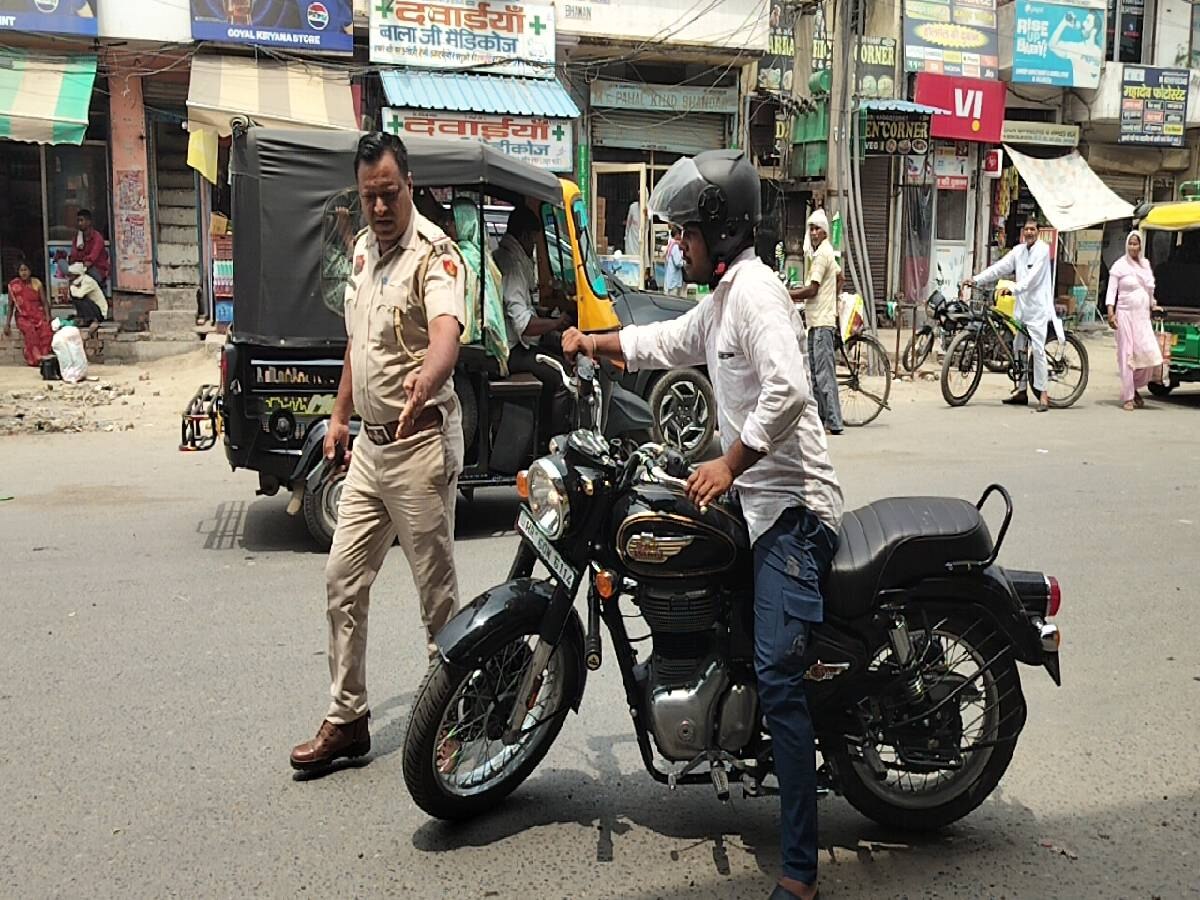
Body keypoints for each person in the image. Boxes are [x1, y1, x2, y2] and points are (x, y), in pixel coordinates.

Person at [562, 150, 843, 900]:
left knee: (780, 677)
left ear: (717, 232)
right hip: (754, 503)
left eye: (684, 232)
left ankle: (799, 870)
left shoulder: (755, 293)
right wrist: (593, 344)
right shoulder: (720, 301)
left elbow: (788, 389)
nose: (676, 246)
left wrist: (731, 462)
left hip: (793, 510)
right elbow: (664, 342)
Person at [290, 132, 467, 772]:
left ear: (409, 185)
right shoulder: (363, 252)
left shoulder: (437, 256)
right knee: (341, 580)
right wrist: (338, 417)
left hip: (420, 447)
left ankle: (452, 721)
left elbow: (445, 333)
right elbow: (358, 345)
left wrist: (429, 378)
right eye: (369, 197)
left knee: (436, 599)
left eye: (389, 194)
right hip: (369, 448)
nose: (380, 208)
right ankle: (348, 719)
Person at [494, 204, 570, 436]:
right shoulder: (513, 265)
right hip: (512, 351)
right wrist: (557, 323)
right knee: (562, 376)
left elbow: (522, 308)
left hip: (512, 344)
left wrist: (544, 313)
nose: (534, 248)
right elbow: (525, 326)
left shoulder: (503, 255)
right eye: (534, 242)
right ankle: (553, 440)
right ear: (525, 236)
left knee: (557, 356)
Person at [969, 216, 1055, 411]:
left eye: (1033, 229)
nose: (1029, 232)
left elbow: (1032, 280)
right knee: (1018, 347)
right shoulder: (1018, 251)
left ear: (1038, 231)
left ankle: (1043, 395)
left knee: (1038, 350)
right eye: (1027, 229)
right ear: (1023, 231)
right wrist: (976, 280)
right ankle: (1022, 390)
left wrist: (1013, 289)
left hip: (1037, 309)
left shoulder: (1042, 251)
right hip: (1022, 308)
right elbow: (999, 268)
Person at [790, 209, 844, 435]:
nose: (813, 233)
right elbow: (840, 277)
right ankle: (823, 418)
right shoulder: (823, 253)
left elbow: (812, 289)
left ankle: (834, 421)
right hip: (817, 321)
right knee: (815, 372)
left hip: (822, 322)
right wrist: (833, 298)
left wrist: (788, 295)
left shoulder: (822, 254)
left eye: (817, 229)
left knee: (823, 374)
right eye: (811, 228)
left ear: (825, 232)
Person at [1106, 231, 1163, 411]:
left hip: (1142, 317)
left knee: (1148, 354)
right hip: (1125, 315)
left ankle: (1133, 387)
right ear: (1126, 245)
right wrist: (1110, 312)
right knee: (1127, 355)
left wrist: (1154, 305)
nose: (1133, 247)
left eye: (1136, 244)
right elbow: (1111, 291)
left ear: (1140, 246)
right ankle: (1128, 397)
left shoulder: (1145, 265)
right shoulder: (1119, 266)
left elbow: (1149, 290)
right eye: (1130, 244)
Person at [452, 198, 510, 374]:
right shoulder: (479, 254)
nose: (445, 225)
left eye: (451, 221)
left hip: (471, 338)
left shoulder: (464, 257)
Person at [4, 260, 53, 367]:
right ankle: (35, 359)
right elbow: (11, 306)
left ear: (30, 271)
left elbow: (44, 302)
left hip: (37, 313)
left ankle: (45, 357)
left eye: (26, 270)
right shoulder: (13, 286)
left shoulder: (37, 283)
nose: (24, 273)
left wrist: (48, 317)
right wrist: (7, 324)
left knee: (46, 329)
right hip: (23, 316)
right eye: (21, 270)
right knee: (30, 330)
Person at [1049, 9, 1103, 87]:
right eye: (1084, 20)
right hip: (1079, 92)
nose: (1083, 23)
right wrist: (1063, 23)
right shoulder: (1076, 48)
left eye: (1087, 21)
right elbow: (1052, 45)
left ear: (1094, 30)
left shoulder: (1100, 53)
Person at [67, 210, 110, 291]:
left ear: (88, 222)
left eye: (81, 220)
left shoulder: (97, 238)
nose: (79, 223)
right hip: (81, 269)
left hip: (97, 271)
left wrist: (80, 265)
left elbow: (91, 260)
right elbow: (73, 256)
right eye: (78, 221)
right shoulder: (78, 238)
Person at [67, 262, 108, 333]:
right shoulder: (78, 281)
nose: (69, 277)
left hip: (99, 311)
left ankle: (92, 319)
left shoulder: (88, 281)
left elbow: (79, 295)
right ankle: (83, 318)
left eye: (71, 275)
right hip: (92, 308)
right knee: (75, 297)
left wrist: (72, 287)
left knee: (80, 298)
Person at [663, 224, 686, 296]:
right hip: (674, 280)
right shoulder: (675, 247)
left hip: (670, 278)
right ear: (677, 235)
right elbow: (678, 263)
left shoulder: (670, 244)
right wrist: (685, 262)